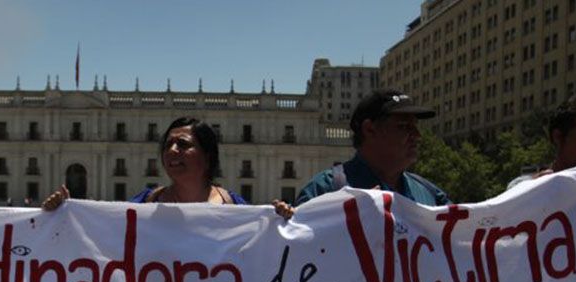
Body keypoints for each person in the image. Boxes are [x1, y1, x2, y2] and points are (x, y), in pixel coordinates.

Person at [273, 89, 448, 218]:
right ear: (370, 129)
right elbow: (297, 246)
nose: (417, 135)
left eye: (415, 127)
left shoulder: (431, 195)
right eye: (404, 127)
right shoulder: (326, 190)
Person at [43, 117, 246, 209]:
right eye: (167, 144)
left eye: (183, 144)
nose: (172, 150)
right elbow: (103, 233)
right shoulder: (144, 204)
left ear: (208, 156)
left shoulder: (236, 208)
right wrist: (65, 213)